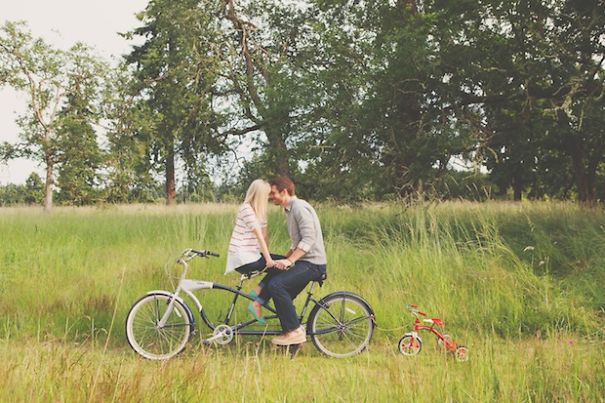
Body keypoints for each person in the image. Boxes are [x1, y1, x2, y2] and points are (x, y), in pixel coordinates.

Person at [264, 176, 327, 346]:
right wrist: (284, 259)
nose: (270, 197)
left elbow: (308, 239)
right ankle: (290, 335)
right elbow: (297, 242)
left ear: (284, 192)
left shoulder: (299, 207)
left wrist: (289, 261)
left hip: (313, 263)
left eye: (273, 193)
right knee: (279, 291)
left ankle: (295, 332)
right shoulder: (289, 210)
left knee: (277, 285)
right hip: (304, 262)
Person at [225, 179, 284, 323]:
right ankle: (257, 298)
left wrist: (268, 255)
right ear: (259, 195)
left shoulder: (259, 211)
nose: (269, 198)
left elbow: (264, 237)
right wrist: (269, 260)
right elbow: (259, 237)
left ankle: (257, 296)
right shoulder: (246, 209)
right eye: (266, 195)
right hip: (241, 257)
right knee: (280, 266)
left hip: (251, 255)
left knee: (284, 263)